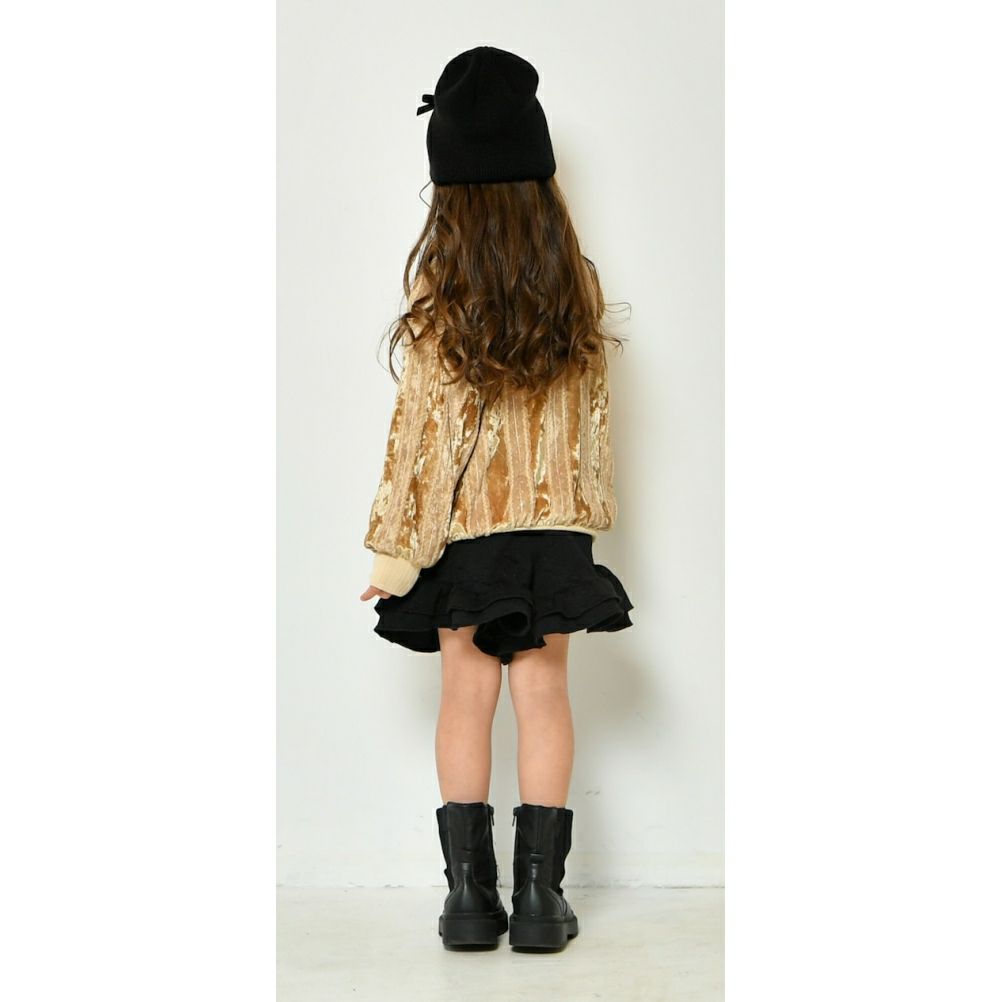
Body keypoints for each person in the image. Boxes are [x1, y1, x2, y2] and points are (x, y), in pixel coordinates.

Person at [358, 45, 634, 952]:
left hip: (466, 532)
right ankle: (543, 903)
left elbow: (424, 433)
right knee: (544, 694)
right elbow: (592, 419)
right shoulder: (573, 285)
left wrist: (398, 550)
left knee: (464, 695)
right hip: (553, 533)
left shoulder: (446, 297)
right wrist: (582, 521)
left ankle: (470, 902)